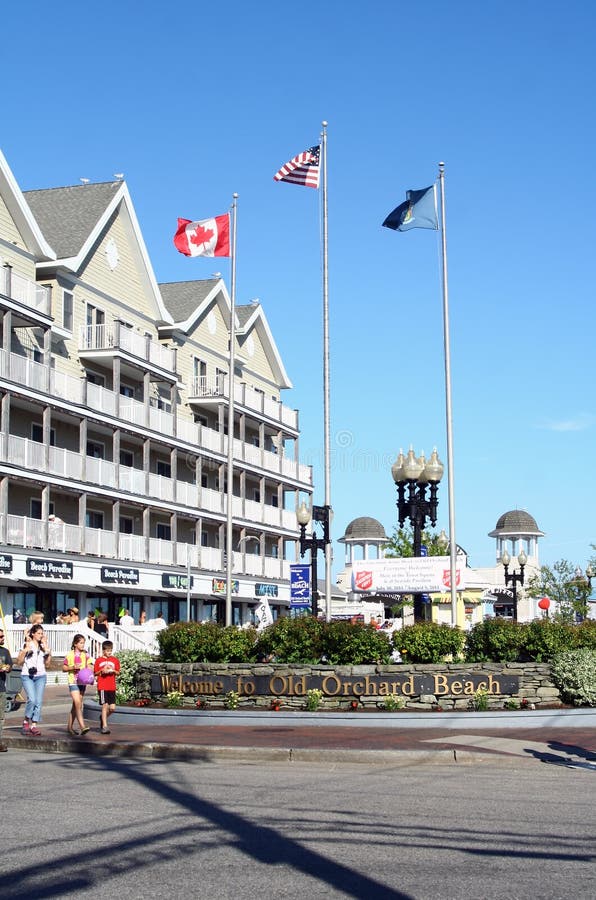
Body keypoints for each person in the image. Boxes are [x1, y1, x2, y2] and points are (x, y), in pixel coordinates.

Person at [17, 623, 51, 736]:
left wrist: (48, 652)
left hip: (41, 676)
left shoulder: (43, 646)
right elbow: (19, 662)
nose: (41, 635)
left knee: (39, 701)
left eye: (42, 633)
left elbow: (48, 664)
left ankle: (34, 725)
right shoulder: (27, 644)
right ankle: (26, 720)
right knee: (32, 699)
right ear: (33, 634)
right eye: (39, 633)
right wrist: (25, 650)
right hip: (28, 676)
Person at [63, 634, 93, 735]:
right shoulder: (70, 655)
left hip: (82, 682)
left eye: (83, 643)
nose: (82, 645)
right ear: (75, 644)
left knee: (76, 704)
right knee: (77, 702)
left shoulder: (85, 654)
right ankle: (82, 726)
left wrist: (91, 677)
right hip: (73, 681)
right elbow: (64, 668)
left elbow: (89, 666)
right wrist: (72, 668)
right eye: (80, 643)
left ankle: (69, 727)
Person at [94, 641, 120, 734]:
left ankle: (102, 718)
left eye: (111, 650)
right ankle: (105, 726)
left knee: (112, 708)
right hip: (102, 686)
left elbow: (118, 672)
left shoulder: (115, 660)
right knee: (105, 705)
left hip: (111, 686)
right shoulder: (98, 660)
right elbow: (95, 673)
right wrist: (102, 670)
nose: (109, 652)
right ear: (103, 650)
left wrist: (112, 670)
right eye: (108, 650)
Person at [0, 627, 13, 752]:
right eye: (0, 637)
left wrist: (7, 668)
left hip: (1, 688)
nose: (2, 638)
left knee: (1, 717)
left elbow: (10, 666)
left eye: (2, 636)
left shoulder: (5, 652)